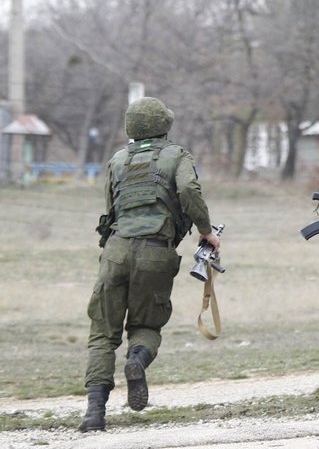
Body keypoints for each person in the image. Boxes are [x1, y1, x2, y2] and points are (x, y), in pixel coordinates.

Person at [79, 97, 221, 433]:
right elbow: (188, 189)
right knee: (146, 325)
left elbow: (110, 209)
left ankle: (94, 413)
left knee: (102, 333)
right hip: (156, 250)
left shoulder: (117, 159)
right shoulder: (177, 156)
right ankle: (136, 361)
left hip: (115, 250)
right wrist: (206, 230)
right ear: (164, 125)